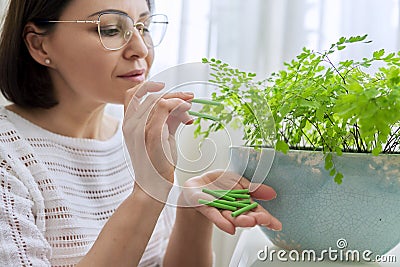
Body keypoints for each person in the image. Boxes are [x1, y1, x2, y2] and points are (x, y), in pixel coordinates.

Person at [0, 0, 282, 266]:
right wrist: (149, 192)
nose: (141, 49)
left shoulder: (134, 136)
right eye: (110, 30)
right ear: (39, 45)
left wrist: (191, 211)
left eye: (144, 27)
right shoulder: (8, 156)